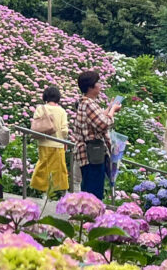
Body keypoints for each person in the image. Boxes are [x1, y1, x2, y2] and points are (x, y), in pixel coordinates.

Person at [72, 70, 120, 199]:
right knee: (93, 192)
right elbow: (104, 124)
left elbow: (97, 118)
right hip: (93, 154)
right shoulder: (89, 104)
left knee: (89, 189)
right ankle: (91, 212)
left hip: (88, 153)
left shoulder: (85, 102)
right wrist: (113, 111)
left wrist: (109, 108)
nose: (100, 85)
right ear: (91, 86)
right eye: (98, 82)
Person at [29, 85, 69, 194]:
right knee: (59, 169)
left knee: (43, 166)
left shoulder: (40, 108)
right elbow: (64, 130)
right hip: (58, 144)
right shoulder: (61, 111)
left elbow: (36, 125)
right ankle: (57, 191)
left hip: (43, 143)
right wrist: (65, 140)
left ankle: (40, 188)